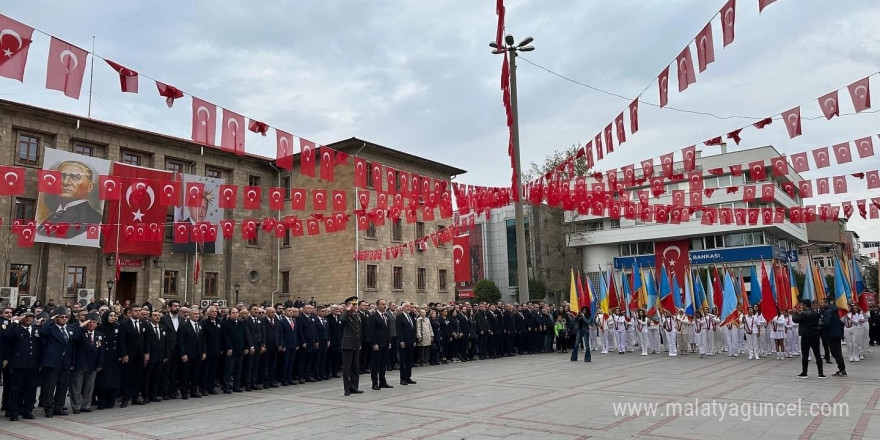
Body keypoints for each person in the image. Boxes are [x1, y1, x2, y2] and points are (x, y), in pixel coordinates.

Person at [38, 160, 103, 237]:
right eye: (62, 176)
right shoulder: (53, 216)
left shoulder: (94, 217)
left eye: (75, 177)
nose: (65, 182)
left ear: (90, 187)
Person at [4, 310, 41, 421]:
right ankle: (14, 411)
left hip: (33, 364)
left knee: (30, 389)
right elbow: (6, 336)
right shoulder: (16, 329)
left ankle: (27, 410)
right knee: (16, 389)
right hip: (19, 364)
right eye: (26, 316)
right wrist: (15, 322)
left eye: (31, 316)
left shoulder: (36, 330)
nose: (29, 318)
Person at [41, 306, 76, 417]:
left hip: (65, 362)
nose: (64, 319)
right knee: (50, 387)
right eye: (61, 317)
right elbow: (42, 332)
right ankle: (48, 408)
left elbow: (72, 347)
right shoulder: (51, 328)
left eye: (66, 317)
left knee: (63, 387)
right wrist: (51, 319)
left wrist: (72, 362)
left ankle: (59, 406)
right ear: (56, 318)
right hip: (53, 362)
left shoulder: (70, 329)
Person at [69, 312, 104, 414]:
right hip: (80, 364)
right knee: (76, 387)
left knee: (89, 387)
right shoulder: (80, 332)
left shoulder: (99, 335)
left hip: (92, 365)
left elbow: (101, 351)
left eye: (94, 322)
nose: (91, 324)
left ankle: (86, 405)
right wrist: (81, 326)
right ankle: (76, 406)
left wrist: (100, 364)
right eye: (89, 322)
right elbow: (75, 338)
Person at [95, 310, 124, 410]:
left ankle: (110, 401)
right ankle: (101, 402)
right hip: (104, 356)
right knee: (103, 381)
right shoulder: (100, 327)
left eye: (114, 316)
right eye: (110, 316)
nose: (113, 317)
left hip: (114, 357)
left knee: (113, 380)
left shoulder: (118, 327)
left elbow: (121, 341)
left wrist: (122, 354)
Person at [178, 307, 206, 399]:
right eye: (195, 314)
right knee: (185, 374)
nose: (197, 316)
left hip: (198, 353)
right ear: (190, 315)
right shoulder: (184, 325)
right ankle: (184, 392)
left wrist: (203, 352)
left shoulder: (200, 324)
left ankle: (194, 390)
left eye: (198, 314)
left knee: (195, 373)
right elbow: (180, 341)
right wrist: (183, 353)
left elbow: (203, 340)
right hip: (188, 354)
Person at [793, 300, 825, 379]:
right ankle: (820, 373)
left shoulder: (804, 313)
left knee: (805, 355)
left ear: (804, 305)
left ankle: (804, 372)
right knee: (817, 354)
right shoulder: (816, 313)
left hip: (806, 336)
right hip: (815, 335)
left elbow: (795, 320)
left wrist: (794, 313)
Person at [339, 297, 363, 396]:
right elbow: (342, 320)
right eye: (352, 304)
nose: (355, 306)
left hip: (356, 344)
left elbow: (359, 330)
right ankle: (347, 389)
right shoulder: (346, 314)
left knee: (355, 367)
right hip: (348, 345)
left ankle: (354, 387)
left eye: (356, 304)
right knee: (347, 368)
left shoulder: (356, 315)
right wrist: (346, 310)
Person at [820, 298, 846, 376]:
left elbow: (827, 323)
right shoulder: (835, 310)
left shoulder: (828, 311)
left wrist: (820, 324)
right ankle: (842, 368)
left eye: (822, 302)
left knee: (835, 353)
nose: (821, 304)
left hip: (831, 334)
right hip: (837, 333)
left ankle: (842, 369)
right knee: (838, 352)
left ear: (826, 303)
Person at [395, 301, 417, 386]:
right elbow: (399, 330)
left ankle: (408, 377)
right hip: (403, 342)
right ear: (403, 308)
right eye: (407, 307)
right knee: (403, 361)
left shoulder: (411, 316)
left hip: (411, 342)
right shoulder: (400, 317)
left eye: (409, 307)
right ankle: (403, 378)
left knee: (409, 361)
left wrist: (414, 340)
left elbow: (413, 329)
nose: (408, 308)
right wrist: (401, 340)